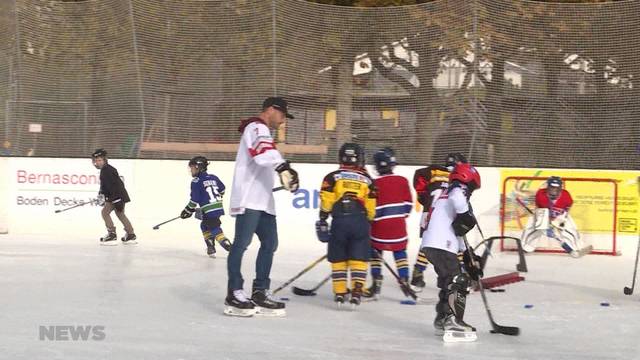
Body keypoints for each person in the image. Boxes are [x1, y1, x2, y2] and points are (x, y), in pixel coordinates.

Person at [224, 97, 299, 317]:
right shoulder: (256, 127)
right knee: (241, 243)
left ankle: (259, 291)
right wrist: (283, 167)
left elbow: (266, 157)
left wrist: (285, 172)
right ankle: (234, 291)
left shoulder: (263, 130)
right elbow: (262, 153)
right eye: (283, 115)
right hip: (248, 198)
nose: (283, 120)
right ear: (271, 110)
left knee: (270, 243)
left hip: (264, 200)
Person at [421, 162, 482, 342]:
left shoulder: (443, 194)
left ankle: (442, 319)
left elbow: (456, 230)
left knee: (448, 280)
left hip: (434, 243)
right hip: (441, 244)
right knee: (459, 280)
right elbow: (458, 199)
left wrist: (467, 254)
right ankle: (453, 320)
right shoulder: (457, 189)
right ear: (467, 181)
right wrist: (466, 214)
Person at [316, 142, 377, 309]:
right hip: (360, 221)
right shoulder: (368, 179)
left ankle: (340, 293)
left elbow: (326, 202)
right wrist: (368, 220)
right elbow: (371, 208)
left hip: (339, 221)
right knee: (359, 257)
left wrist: (322, 218)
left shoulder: (331, 177)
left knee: (338, 257)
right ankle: (357, 291)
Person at [410, 153, 467, 291]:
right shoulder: (459, 178)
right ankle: (460, 275)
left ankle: (418, 274)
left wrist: (423, 197)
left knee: (428, 243)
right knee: (454, 243)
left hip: (428, 214)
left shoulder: (435, 170)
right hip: (445, 216)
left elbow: (419, 175)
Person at [362, 147, 413, 300]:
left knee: (375, 252)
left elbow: (369, 210)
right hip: (398, 229)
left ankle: (376, 283)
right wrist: (397, 217)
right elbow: (408, 207)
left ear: (377, 166)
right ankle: (404, 281)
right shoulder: (402, 181)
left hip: (378, 231)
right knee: (400, 252)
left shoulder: (372, 183)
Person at [179, 156, 232, 258]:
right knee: (204, 225)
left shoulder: (196, 181)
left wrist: (187, 210)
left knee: (215, 229)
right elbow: (222, 190)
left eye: (193, 167)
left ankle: (228, 246)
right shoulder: (214, 177)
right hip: (217, 208)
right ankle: (210, 247)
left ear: (199, 167)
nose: (191, 170)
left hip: (208, 210)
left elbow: (194, 199)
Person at [521, 176, 587, 257]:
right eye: (552, 187)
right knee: (533, 227)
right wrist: (544, 224)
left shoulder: (566, 195)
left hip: (559, 215)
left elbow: (567, 209)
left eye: (556, 188)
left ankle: (577, 248)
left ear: (560, 188)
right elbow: (539, 209)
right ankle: (525, 247)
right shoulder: (540, 194)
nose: (554, 190)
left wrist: (560, 220)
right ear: (548, 186)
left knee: (570, 228)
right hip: (543, 213)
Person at [92, 149, 136, 245]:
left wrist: (116, 200)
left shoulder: (107, 170)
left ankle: (112, 234)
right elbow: (105, 186)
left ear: (104, 160)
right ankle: (130, 234)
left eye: (100, 160)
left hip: (116, 197)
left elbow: (115, 186)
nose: (98, 162)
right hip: (116, 196)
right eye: (96, 161)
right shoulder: (105, 170)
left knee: (105, 212)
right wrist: (101, 195)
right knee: (120, 214)